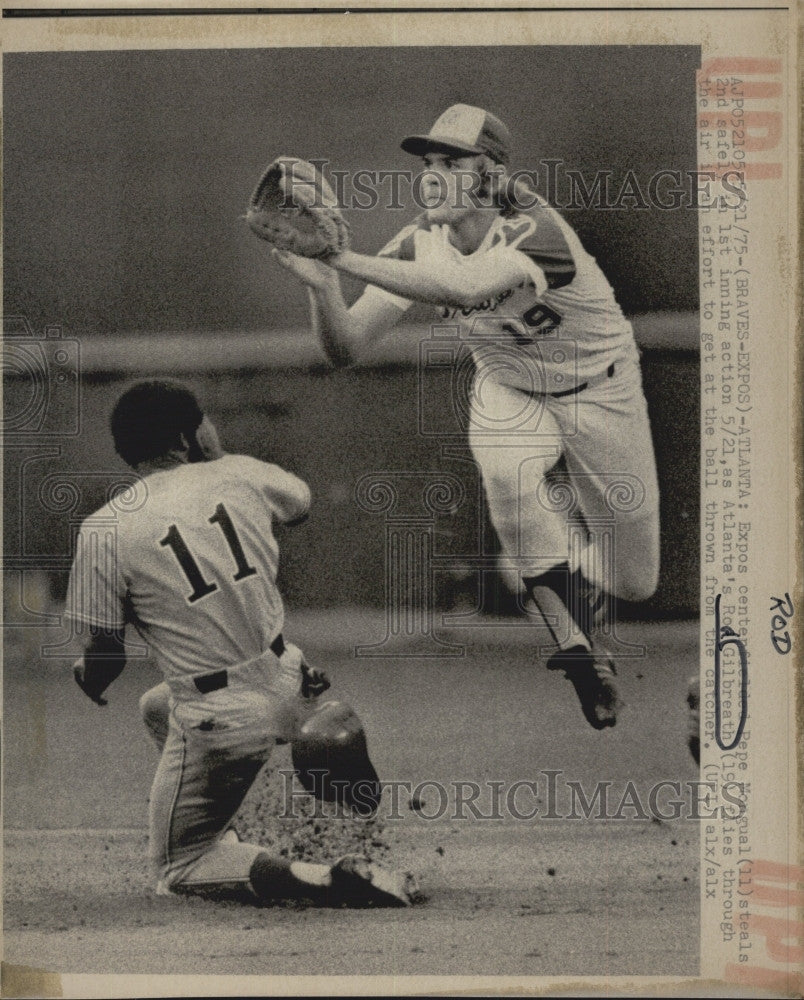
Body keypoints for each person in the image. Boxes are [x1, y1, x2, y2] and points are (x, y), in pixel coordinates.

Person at [271, 103, 660, 730]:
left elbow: (461, 289)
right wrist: (321, 284)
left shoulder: (536, 226)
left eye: (452, 161)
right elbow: (344, 348)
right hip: (510, 389)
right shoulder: (422, 239)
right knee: (508, 479)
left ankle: (538, 557)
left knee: (635, 580)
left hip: (601, 391)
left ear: (492, 172)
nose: (434, 174)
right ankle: (580, 655)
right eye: (429, 162)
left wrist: (339, 257)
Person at [65, 379, 412, 906]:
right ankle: (314, 747)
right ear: (186, 438)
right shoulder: (240, 472)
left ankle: (323, 877)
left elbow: (106, 655)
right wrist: (217, 458)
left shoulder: (102, 529)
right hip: (291, 680)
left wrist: (87, 677)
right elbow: (300, 505)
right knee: (154, 705)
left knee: (178, 870)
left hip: (221, 717)